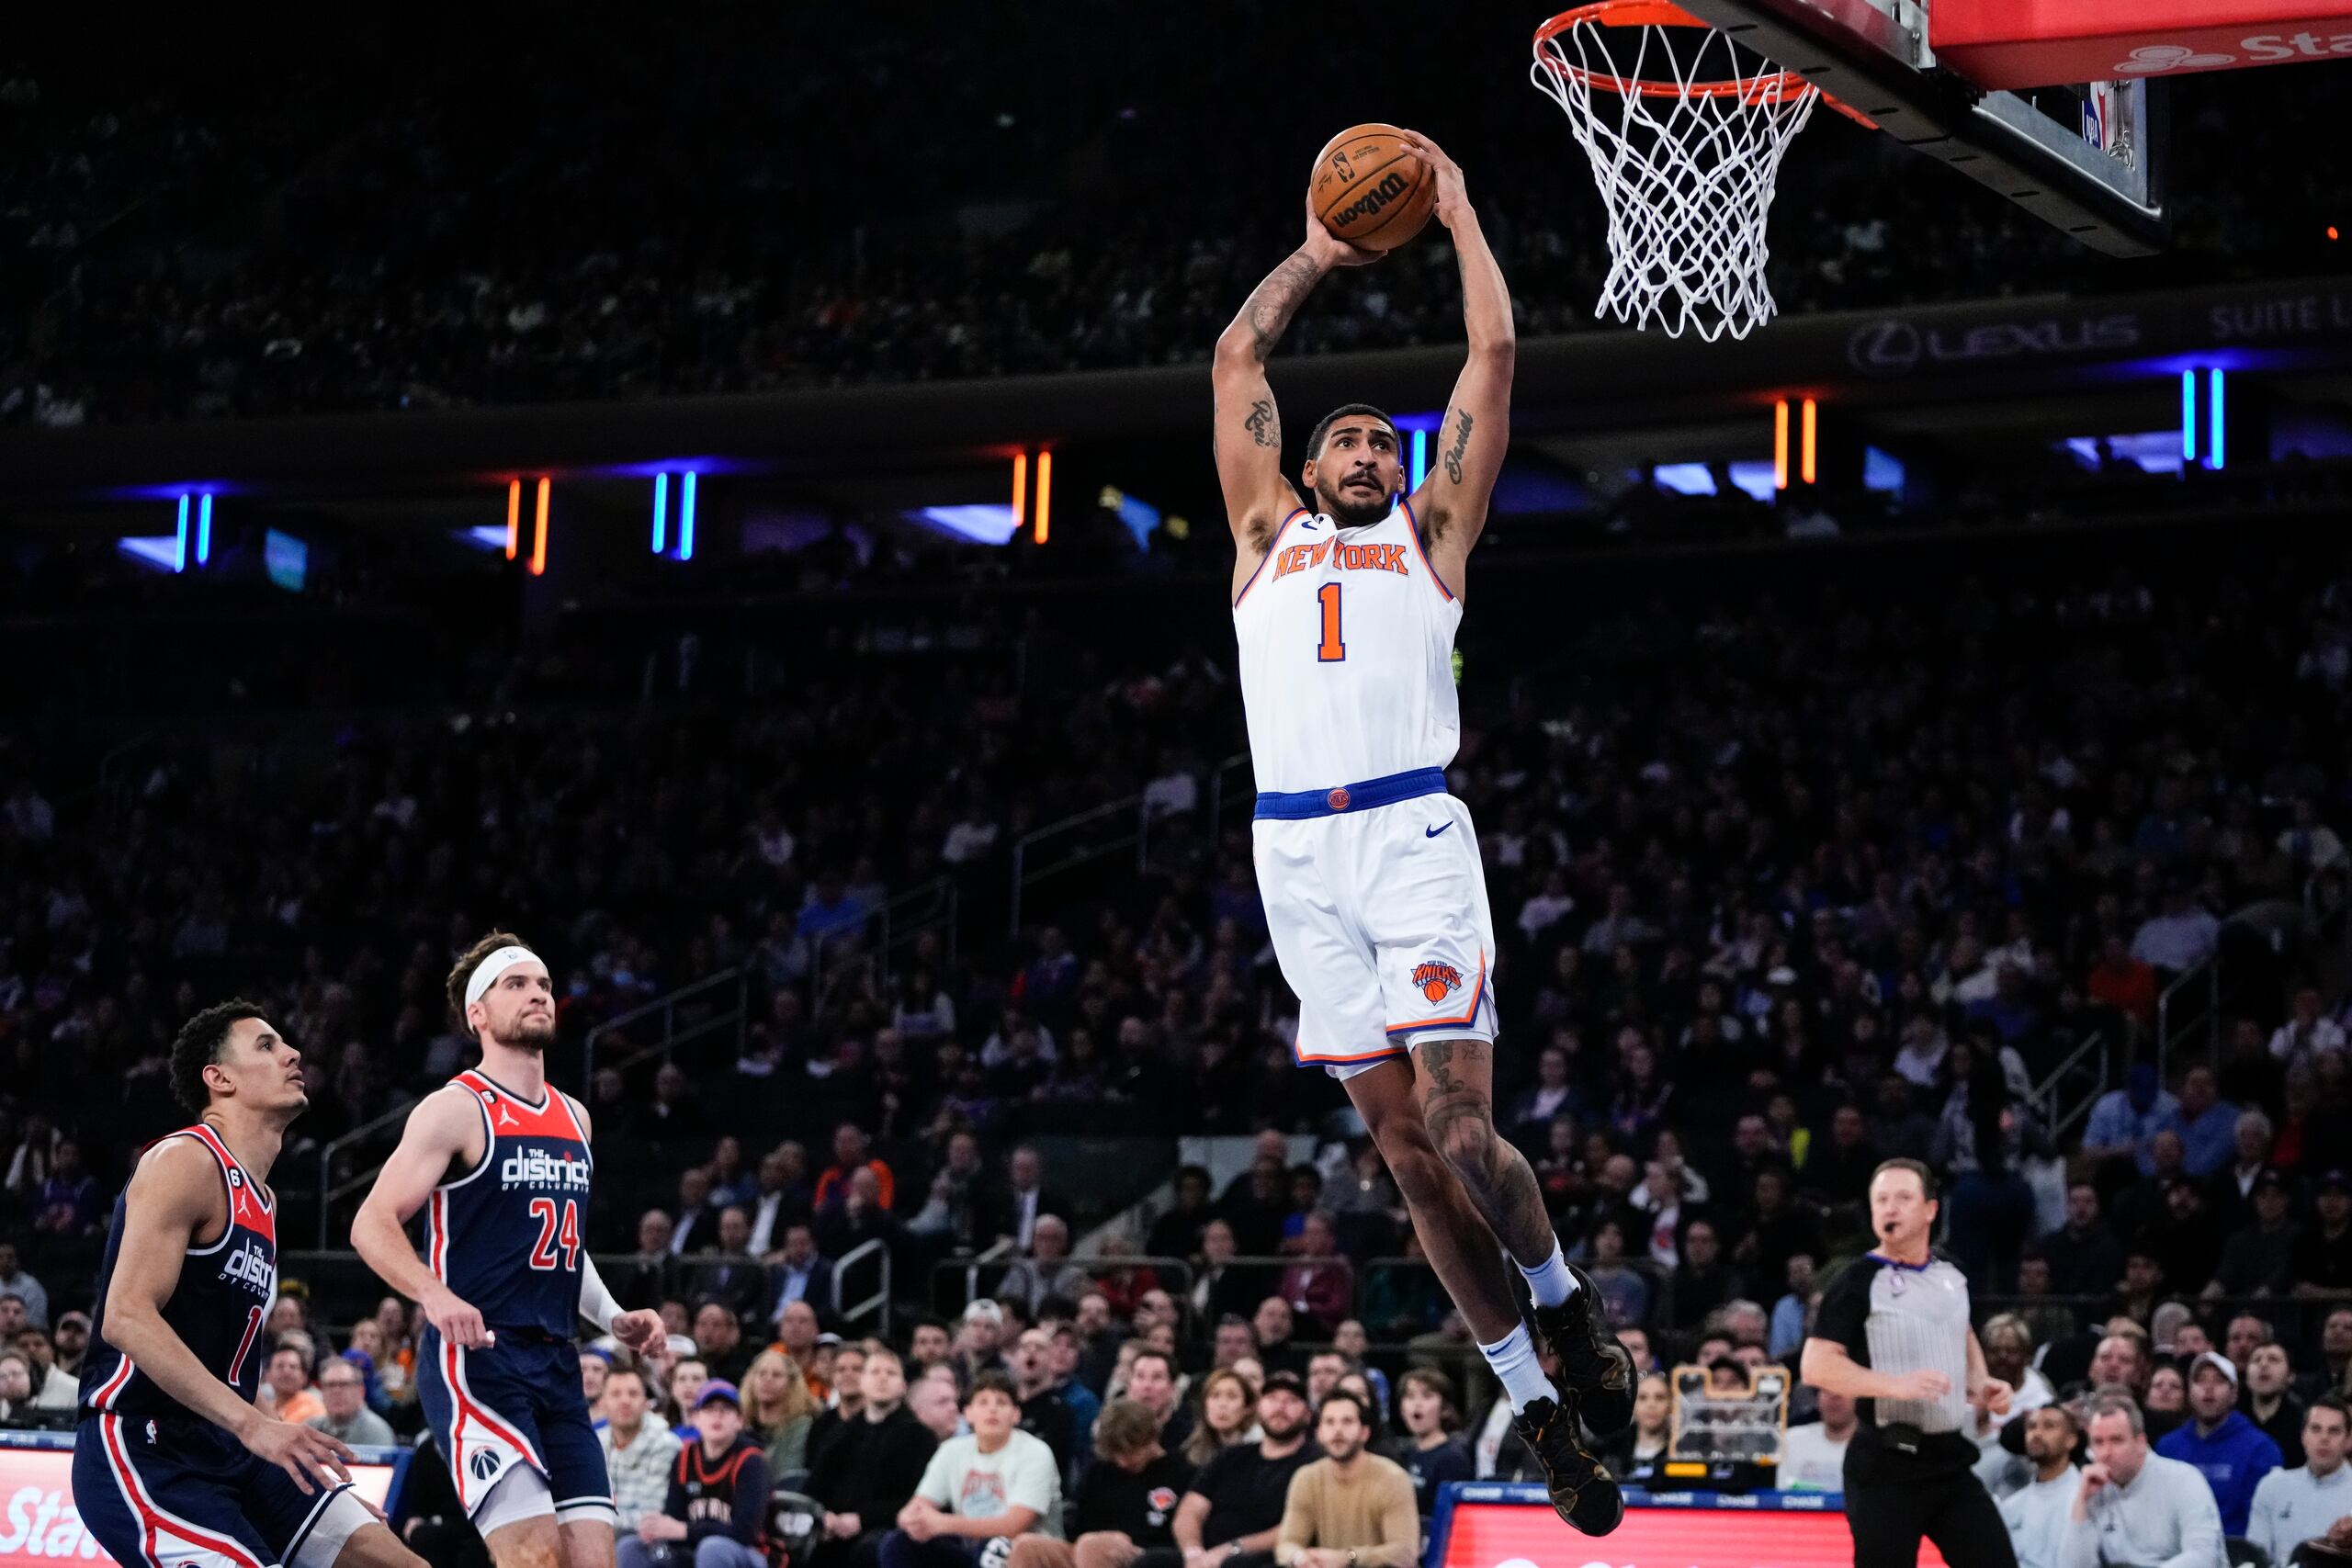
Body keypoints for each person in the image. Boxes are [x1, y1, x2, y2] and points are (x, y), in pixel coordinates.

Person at [1212, 126, 1627, 1539]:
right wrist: (1323, 254)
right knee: (1399, 1157)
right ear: (1305, 464)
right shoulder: (1263, 536)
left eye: (1382, 439)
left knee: (1461, 1128)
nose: (1364, 445)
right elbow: (1235, 363)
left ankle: (1568, 1311)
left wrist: (1453, 214)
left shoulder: (1432, 537)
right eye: (1345, 435)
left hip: (1410, 836)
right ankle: (1536, 1402)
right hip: (1292, 855)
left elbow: (1493, 369)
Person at [70, 999, 423, 1568]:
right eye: (266, 1046)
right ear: (219, 1078)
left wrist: (287, 1442)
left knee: (394, 1561)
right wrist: (254, 1426)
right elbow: (127, 1316)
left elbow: (228, 1364)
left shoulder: (263, 1199)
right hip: (144, 1444)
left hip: (229, 1440)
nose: (292, 1053)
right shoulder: (183, 1161)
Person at [352, 935, 667, 1567]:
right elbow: (370, 1221)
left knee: (594, 1561)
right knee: (533, 1558)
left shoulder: (575, 1116)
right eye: (516, 984)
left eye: (544, 984)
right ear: (478, 1013)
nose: (537, 994)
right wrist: (434, 1294)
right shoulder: (456, 1108)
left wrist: (613, 1317)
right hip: (480, 1361)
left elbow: (563, 1247)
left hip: (557, 1362)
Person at [1802, 1159, 2017, 1568]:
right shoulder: (1856, 1281)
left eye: (1903, 1198)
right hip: (1886, 1466)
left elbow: (1962, 1329)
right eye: (1881, 1200)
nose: (1890, 1208)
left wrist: (1982, 1381)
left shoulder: (1951, 1275)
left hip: (1949, 1461)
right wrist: (1894, 1385)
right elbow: (1816, 1366)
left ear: (1930, 1210)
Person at [884, 1371, 1061, 1568]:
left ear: (1016, 1414)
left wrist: (942, 1523)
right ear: (967, 1413)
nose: (992, 1409)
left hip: (1025, 1552)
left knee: (994, 1547)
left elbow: (1014, 1525)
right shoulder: (951, 1450)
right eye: (983, 1403)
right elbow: (917, 1506)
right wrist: (911, 1520)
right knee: (898, 1542)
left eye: (1001, 1403)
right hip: (969, 1549)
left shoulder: (1035, 1452)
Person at [1155, 1371, 1319, 1568]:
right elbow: (1190, 1510)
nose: (1280, 1407)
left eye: (1292, 1400)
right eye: (1272, 1398)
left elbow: (1298, 1528)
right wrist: (1193, 1553)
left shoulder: (1315, 1463)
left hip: (1266, 1557)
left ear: (1308, 1414)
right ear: (1259, 1408)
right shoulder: (1230, 1456)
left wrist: (1231, 1549)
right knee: (1153, 1561)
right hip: (1207, 1555)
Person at [1006, 1399, 1195, 1568]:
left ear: (1151, 1438)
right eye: (1116, 1454)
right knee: (1027, 1546)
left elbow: (1180, 1539)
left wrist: (1123, 1542)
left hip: (1144, 1556)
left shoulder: (1182, 1472)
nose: (1123, 1461)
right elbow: (1077, 1528)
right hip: (1085, 1549)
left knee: (1095, 1547)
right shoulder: (1099, 1471)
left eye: (1130, 1452)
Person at [809, 1347, 939, 1568]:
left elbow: (920, 1498)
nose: (882, 1378)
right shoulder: (839, 1434)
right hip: (833, 1530)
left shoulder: (920, 1437)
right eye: (874, 1372)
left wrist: (862, 1520)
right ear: (863, 1382)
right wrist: (825, 1516)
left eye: (891, 1373)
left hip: (887, 1531)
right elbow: (815, 1486)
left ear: (903, 1386)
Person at [2064, 1393, 2225, 1568]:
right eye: (2098, 1442)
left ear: (2141, 1442)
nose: (2105, 1452)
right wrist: (2081, 1501)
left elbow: (2204, 1557)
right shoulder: (2090, 1488)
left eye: (2116, 1440)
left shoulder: (2184, 1480)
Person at [621, 1382, 769, 1568]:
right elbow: (674, 1516)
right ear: (695, 1418)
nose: (717, 1415)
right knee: (631, 1547)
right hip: (691, 1550)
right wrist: (656, 1528)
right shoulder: (684, 1457)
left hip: (746, 1553)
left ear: (739, 1420)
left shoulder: (751, 1461)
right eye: (709, 1409)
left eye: (726, 1409)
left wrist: (684, 1531)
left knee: (712, 1549)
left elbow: (746, 1532)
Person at [1271, 1393, 1418, 1568]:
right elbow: (1286, 1545)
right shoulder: (1306, 1478)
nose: (1338, 1430)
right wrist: (1301, 1558)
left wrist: (1349, 1557)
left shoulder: (1393, 1478)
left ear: (1364, 1432)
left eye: (1347, 1421)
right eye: (1330, 1422)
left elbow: (1405, 1553)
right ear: (1319, 1433)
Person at [2156, 1351, 2281, 1536]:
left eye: (2219, 1381)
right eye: (2200, 1380)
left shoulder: (2260, 1449)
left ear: (2234, 1394)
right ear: (2189, 1392)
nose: (2208, 1388)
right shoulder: (2167, 1447)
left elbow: (2261, 1524)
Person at [2247, 1396, 2352, 1567]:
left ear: (2348, 1440)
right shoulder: (2272, 1487)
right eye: (2316, 1429)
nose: (2324, 1438)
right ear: (2303, 1436)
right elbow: (2257, 1558)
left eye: (2334, 1431)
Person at [598, 1366, 684, 1536]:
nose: (625, 1401)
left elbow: (650, 1516)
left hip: (645, 1541)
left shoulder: (665, 1444)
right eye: (616, 1394)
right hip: (602, 1534)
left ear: (646, 1403)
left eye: (633, 1393)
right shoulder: (595, 1444)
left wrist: (592, 1522)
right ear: (602, 1403)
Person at [2000, 1404, 2084, 1568]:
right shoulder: (2012, 1505)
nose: (2037, 1434)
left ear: (2071, 1440)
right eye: (2031, 1426)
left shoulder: (2084, 1498)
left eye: (2049, 1426)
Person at [1396, 1369, 1473, 1517]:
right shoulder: (1406, 1453)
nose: (1417, 1404)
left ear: (1445, 1409)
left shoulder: (1453, 1458)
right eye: (1410, 1396)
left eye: (1427, 1396)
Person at [1781, 1388, 1858, 1492]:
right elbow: (1781, 1495)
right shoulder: (1791, 1439)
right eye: (1827, 1389)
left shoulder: (1873, 1446)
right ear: (1817, 1398)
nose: (1835, 1396)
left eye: (1843, 1389)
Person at [1183, 1369, 1261, 1470]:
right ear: (1205, 1405)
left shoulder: (1259, 1451)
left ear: (1247, 1407)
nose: (1222, 1404)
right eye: (1215, 1395)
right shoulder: (1187, 1455)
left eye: (1232, 1396)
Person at [311, 1357, 396, 1447]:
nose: (336, 1391)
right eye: (330, 1385)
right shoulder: (312, 1427)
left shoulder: (376, 1432)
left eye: (344, 1384)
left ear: (361, 1391)